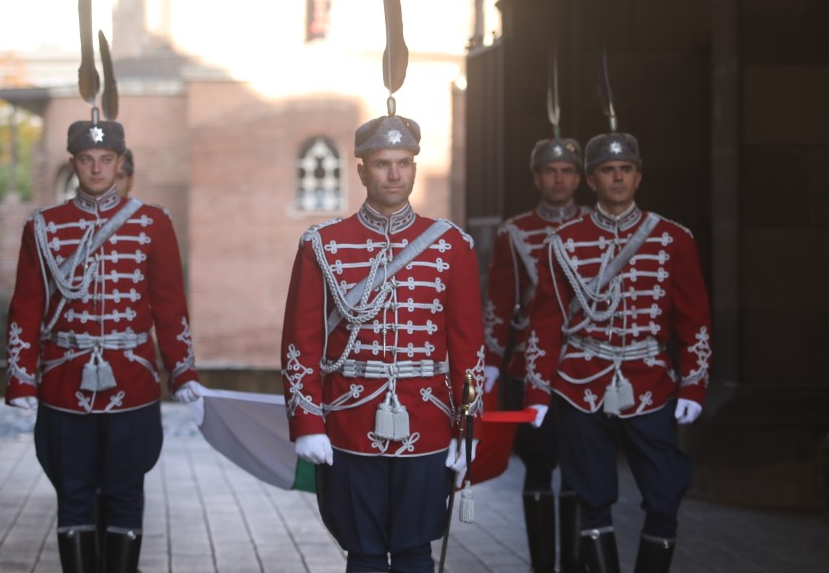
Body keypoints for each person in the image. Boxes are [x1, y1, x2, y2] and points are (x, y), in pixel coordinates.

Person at [280, 112, 487, 573]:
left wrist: (467, 428)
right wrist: (308, 422)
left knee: (415, 551)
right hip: (350, 420)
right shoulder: (321, 244)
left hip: (428, 418)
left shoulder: (451, 245)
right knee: (365, 551)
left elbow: (468, 348)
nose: (394, 174)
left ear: (414, 166)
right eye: (381, 164)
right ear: (361, 171)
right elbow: (301, 343)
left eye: (404, 163)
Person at [5, 116, 204, 573]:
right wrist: (20, 377)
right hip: (63, 383)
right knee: (71, 494)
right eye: (87, 159)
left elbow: (170, 307)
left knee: (125, 493)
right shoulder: (44, 227)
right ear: (74, 162)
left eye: (106, 159)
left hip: (130, 384)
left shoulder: (152, 224)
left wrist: (183, 371)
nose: (97, 169)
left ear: (119, 163)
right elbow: (26, 307)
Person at [522, 131, 712, 573]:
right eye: (608, 170)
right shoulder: (563, 243)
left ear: (639, 176)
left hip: (651, 383)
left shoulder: (673, 239)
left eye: (625, 169)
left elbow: (694, 319)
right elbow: (546, 325)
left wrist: (695, 385)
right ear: (591, 180)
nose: (618, 177)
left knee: (665, 495)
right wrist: (537, 393)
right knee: (592, 498)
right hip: (580, 384)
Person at [483, 136, 585, 572]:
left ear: (579, 177)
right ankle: (543, 564)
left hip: (587, 365)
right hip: (530, 364)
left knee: (582, 463)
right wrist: (490, 359)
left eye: (566, 171)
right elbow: (501, 301)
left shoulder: (600, 224)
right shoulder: (515, 231)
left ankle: (578, 562)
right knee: (539, 462)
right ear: (537, 178)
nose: (558, 179)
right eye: (550, 171)